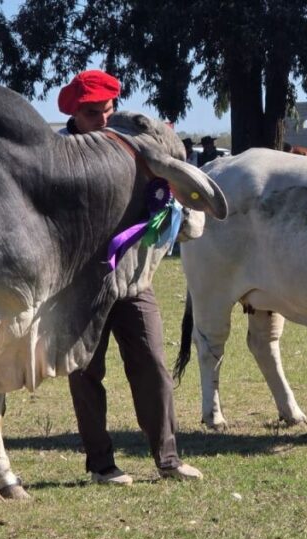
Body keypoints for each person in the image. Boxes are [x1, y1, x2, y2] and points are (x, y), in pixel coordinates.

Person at [57, 69, 202, 484]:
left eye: (107, 110)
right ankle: (101, 464)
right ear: (74, 114)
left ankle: (168, 459)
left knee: (153, 363)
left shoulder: (135, 145)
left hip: (134, 278)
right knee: (86, 371)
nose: (102, 120)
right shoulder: (59, 153)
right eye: (91, 114)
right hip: (80, 286)